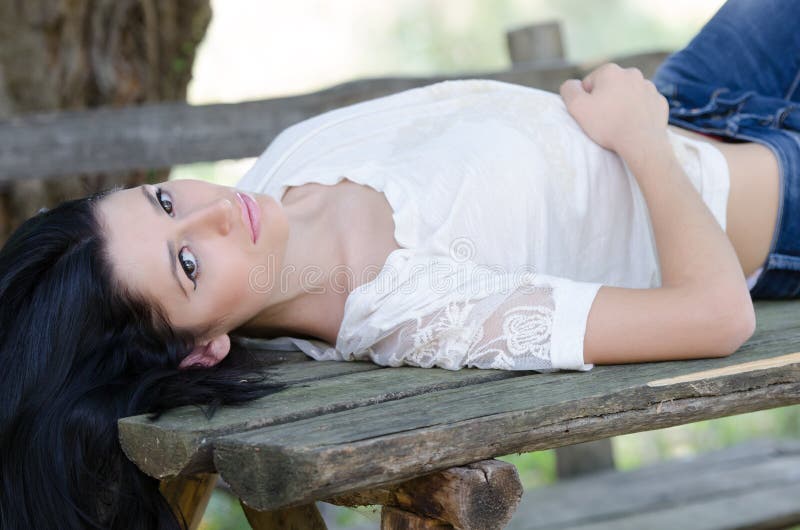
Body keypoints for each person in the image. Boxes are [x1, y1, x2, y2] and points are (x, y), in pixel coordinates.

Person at [1, 0, 797, 527]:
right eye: (187, 265)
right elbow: (714, 314)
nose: (214, 213)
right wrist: (643, 138)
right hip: (768, 201)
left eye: (164, 201)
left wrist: (657, 122)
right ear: (203, 347)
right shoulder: (416, 308)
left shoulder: (281, 169)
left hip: (706, 103)